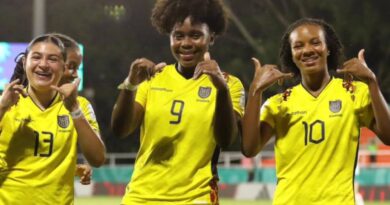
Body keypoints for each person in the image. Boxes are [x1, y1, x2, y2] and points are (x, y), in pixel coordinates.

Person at [242, 17, 390, 204]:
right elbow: (249, 148)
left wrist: (372, 83)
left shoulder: (353, 93)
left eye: (315, 42)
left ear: (328, 48)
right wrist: (255, 92)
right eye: (298, 46)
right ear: (292, 55)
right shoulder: (279, 103)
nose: (307, 50)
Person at [111, 0, 245, 204]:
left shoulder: (230, 84)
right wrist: (130, 84)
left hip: (196, 197)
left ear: (212, 38)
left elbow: (226, 139)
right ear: (170, 37)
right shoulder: (153, 79)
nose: (186, 43)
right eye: (178, 35)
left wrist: (221, 90)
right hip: (141, 196)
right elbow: (121, 129)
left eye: (196, 35)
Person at [0, 34, 106, 204]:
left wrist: (74, 109)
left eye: (53, 59)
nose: (43, 64)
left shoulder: (80, 105)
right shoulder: (7, 102)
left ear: (63, 66)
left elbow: (98, 158)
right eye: (36, 57)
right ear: (24, 62)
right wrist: (2, 107)